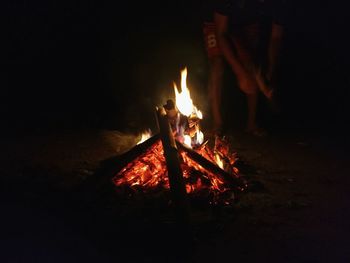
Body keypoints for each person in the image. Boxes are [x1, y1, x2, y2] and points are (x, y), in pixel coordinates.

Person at [210, 0, 286, 136]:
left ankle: (251, 124)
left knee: (252, 60)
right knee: (218, 63)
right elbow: (221, 33)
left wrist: (269, 74)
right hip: (218, 22)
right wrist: (240, 73)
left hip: (247, 22)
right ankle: (217, 124)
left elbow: (276, 38)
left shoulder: (279, 5)